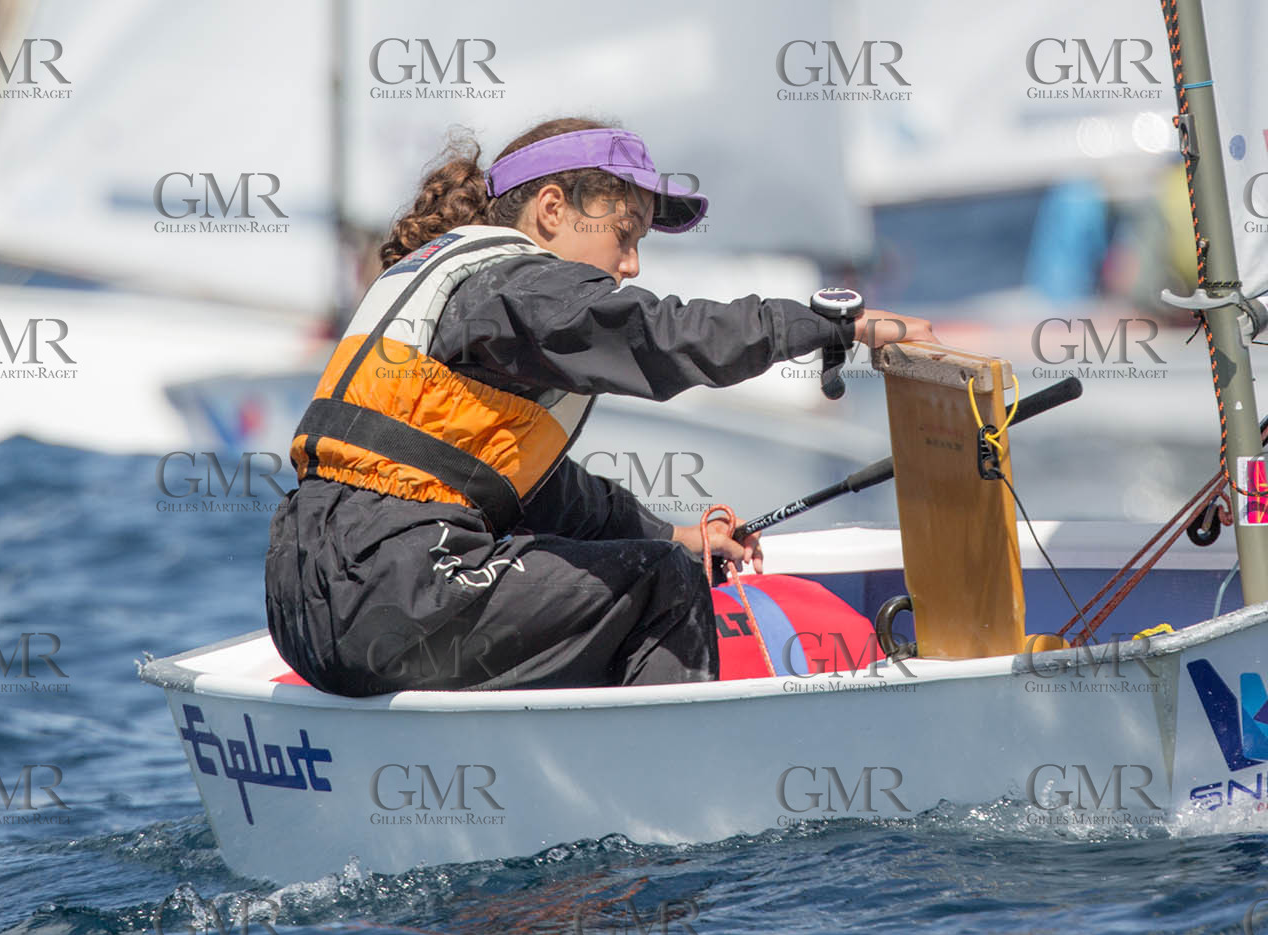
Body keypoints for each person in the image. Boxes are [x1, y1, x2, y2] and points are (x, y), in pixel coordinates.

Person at [265, 117, 939, 695]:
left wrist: (675, 535)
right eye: (625, 234)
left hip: (306, 597)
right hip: (396, 588)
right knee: (665, 584)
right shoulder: (519, 286)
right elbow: (657, 335)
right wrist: (833, 326)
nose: (633, 265)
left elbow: (537, 490)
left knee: (646, 560)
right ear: (553, 209)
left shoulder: (452, 280)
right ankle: (671, 822)